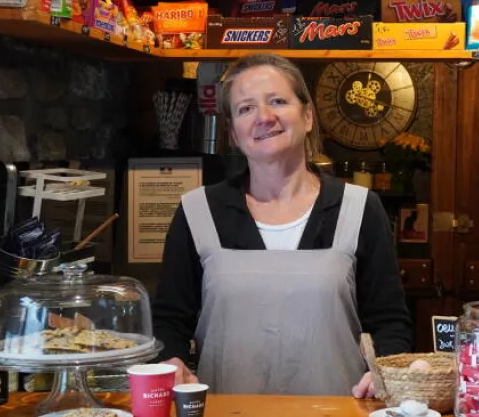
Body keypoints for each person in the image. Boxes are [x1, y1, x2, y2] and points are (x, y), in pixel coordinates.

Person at [152, 53, 413, 397]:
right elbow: (169, 320)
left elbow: (390, 323)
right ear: (233, 133)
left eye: (277, 101)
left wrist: (385, 373)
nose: (264, 117)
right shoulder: (197, 211)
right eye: (246, 108)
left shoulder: (360, 209)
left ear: (308, 116)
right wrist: (171, 361)